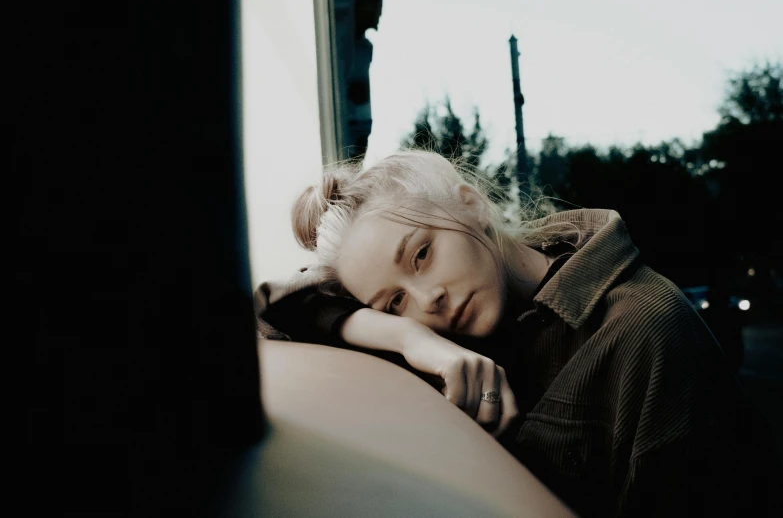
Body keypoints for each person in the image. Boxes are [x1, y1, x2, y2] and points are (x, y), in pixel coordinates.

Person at [255, 151, 781, 517]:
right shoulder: (433, 343)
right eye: (394, 302)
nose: (427, 301)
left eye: (421, 254)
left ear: (472, 204)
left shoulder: (643, 325)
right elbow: (268, 310)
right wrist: (411, 340)